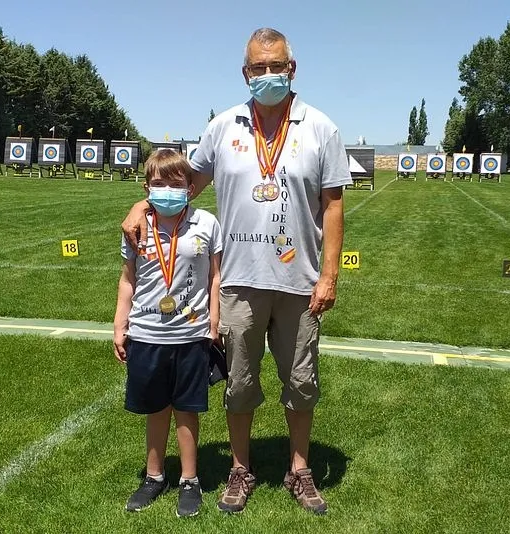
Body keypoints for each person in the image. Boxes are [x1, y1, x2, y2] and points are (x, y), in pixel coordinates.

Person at [122, 28, 351, 515]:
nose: (267, 74)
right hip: (239, 282)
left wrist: (329, 275)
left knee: (301, 383)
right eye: (258, 67)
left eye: (276, 66)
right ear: (245, 73)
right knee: (240, 385)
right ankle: (240, 469)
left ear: (293, 68)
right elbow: (187, 184)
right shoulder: (223, 126)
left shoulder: (321, 128)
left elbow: (333, 206)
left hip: (300, 282)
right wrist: (145, 203)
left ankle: (300, 469)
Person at [113, 149, 222, 518]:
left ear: (190, 188)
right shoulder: (137, 226)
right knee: (155, 408)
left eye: (176, 184)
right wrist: (119, 324)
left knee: (187, 409)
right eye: (158, 184)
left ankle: (189, 480)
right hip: (146, 332)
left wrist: (215, 324)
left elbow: (214, 277)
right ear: (146, 188)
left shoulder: (207, 223)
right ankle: (154, 475)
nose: (167, 190)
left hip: (191, 333)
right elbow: (128, 279)